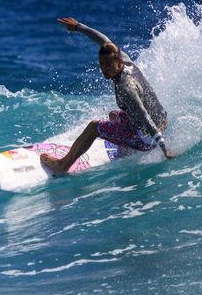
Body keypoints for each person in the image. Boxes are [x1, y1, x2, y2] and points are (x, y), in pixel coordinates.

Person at [41, 17, 174, 176]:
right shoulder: (124, 59)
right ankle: (127, 149)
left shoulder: (126, 87)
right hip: (162, 122)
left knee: (93, 127)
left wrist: (164, 149)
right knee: (114, 115)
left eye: (108, 65)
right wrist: (78, 27)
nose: (104, 69)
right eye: (101, 64)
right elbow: (103, 40)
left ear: (118, 62)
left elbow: (144, 117)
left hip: (148, 137)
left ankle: (62, 166)